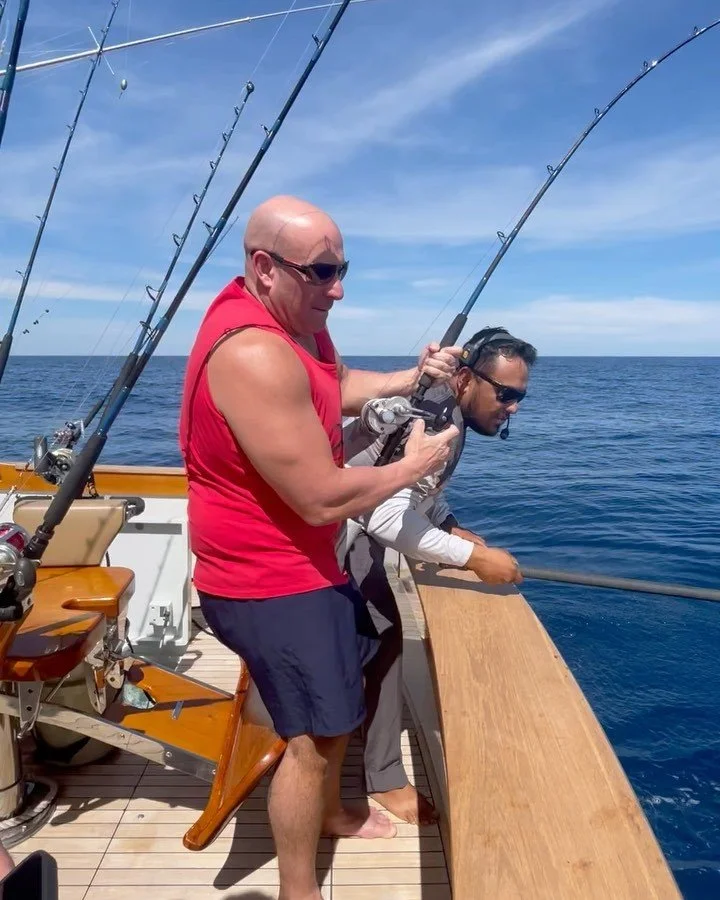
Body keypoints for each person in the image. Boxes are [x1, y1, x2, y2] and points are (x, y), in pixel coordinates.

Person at [179, 194, 462, 900]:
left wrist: (411, 379)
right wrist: (411, 468)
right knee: (310, 746)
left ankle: (333, 811)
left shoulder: (293, 325)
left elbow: (332, 388)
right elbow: (321, 497)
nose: (338, 289)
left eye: (344, 270)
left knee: (341, 701)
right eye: (323, 271)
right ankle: (299, 890)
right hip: (267, 584)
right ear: (263, 267)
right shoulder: (253, 354)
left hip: (301, 567)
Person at [339, 326, 537, 825]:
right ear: (467, 379)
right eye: (506, 394)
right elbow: (385, 518)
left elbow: (421, 490)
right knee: (385, 632)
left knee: (380, 630)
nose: (512, 407)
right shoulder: (437, 418)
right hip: (338, 530)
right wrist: (473, 560)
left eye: (519, 397)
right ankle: (382, 776)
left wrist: (448, 525)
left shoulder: (443, 408)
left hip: (348, 522)